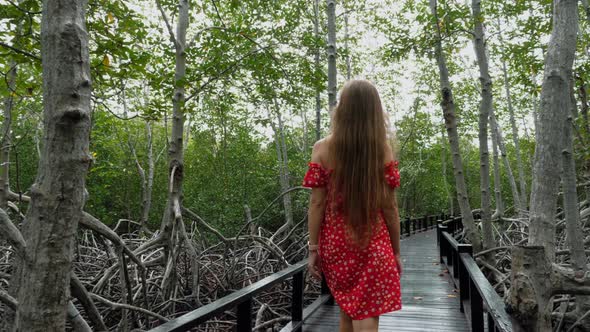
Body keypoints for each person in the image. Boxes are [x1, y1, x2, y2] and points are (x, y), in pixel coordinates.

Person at [302, 80, 402, 332]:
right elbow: (390, 208)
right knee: (366, 310)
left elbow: (316, 203)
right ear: (374, 112)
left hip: (337, 245)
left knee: (348, 309)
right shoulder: (382, 149)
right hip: (374, 242)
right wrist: (396, 251)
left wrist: (313, 248)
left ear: (342, 109)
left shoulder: (322, 148)